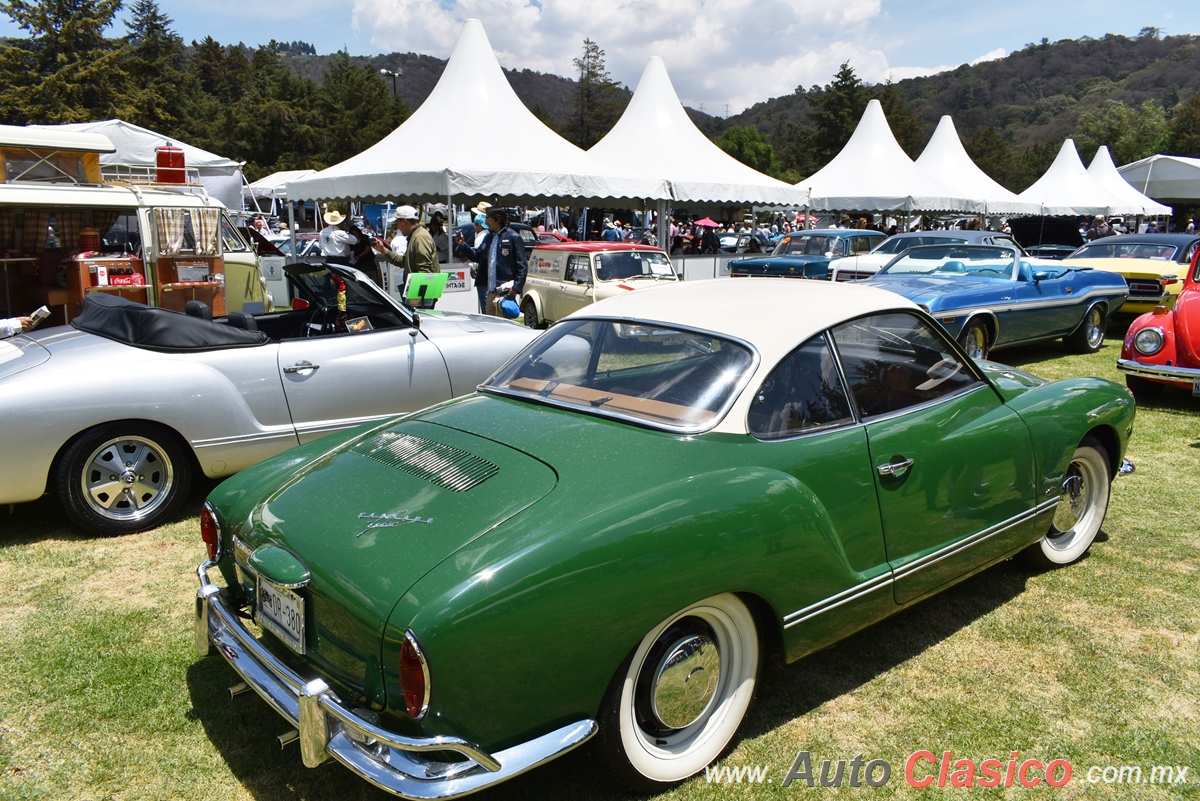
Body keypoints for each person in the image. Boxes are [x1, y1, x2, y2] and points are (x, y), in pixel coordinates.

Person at [454, 207, 527, 317]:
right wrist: (463, 245)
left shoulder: (513, 237)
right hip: (491, 291)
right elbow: (477, 256)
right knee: (490, 324)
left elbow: (522, 266)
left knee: (504, 327)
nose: (486, 222)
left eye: (488, 219)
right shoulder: (489, 237)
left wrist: (515, 289)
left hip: (504, 292)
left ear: (498, 220)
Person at [467, 212, 489, 313]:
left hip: (482, 274)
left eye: (475, 225)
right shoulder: (489, 235)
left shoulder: (480, 238)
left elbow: (477, 256)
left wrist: (473, 267)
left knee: (485, 306)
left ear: (479, 225)